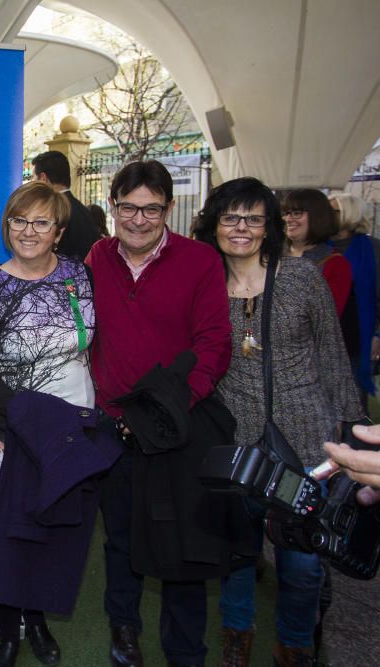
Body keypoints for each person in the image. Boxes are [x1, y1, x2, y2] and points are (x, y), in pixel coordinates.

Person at [194, 177, 363, 666]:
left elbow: (334, 357)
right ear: (214, 224)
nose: (241, 228)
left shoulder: (301, 278)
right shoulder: (205, 284)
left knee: (302, 561)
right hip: (238, 438)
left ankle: (294, 645)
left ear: (269, 225)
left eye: (253, 218)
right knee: (238, 554)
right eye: (230, 218)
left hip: (306, 438)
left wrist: (351, 430)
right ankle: (236, 639)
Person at [86, 160, 232, 667]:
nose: (139, 219)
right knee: (120, 539)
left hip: (175, 429)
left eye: (151, 209)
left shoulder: (201, 261)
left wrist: (164, 410)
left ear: (168, 209)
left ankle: (184, 650)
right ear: (113, 208)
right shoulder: (96, 258)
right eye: (128, 208)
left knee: (181, 544)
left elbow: (214, 347)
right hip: (113, 427)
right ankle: (123, 631)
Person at [0, 181, 104, 667]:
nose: (27, 231)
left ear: (58, 231)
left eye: (40, 222)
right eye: (18, 221)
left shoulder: (79, 278)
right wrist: (27, 418)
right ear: (7, 226)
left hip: (74, 428)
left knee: (56, 531)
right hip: (14, 429)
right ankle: (7, 627)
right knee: (9, 532)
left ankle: (39, 621)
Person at [282, 189, 358, 363]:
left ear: (317, 216)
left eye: (297, 213)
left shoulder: (335, 264)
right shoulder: (271, 257)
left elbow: (324, 321)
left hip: (310, 362)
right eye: (286, 213)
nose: (288, 219)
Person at [329, 191, 380, 398]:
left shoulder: (373, 249)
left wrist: (377, 334)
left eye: (332, 211)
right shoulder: (317, 248)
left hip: (357, 335)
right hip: (324, 334)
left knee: (353, 399)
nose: (325, 215)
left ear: (350, 214)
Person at [30, 150, 101, 260]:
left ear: (43, 178)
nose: (32, 183)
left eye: (33, 178)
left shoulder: (54, 212)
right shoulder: (84, 211)